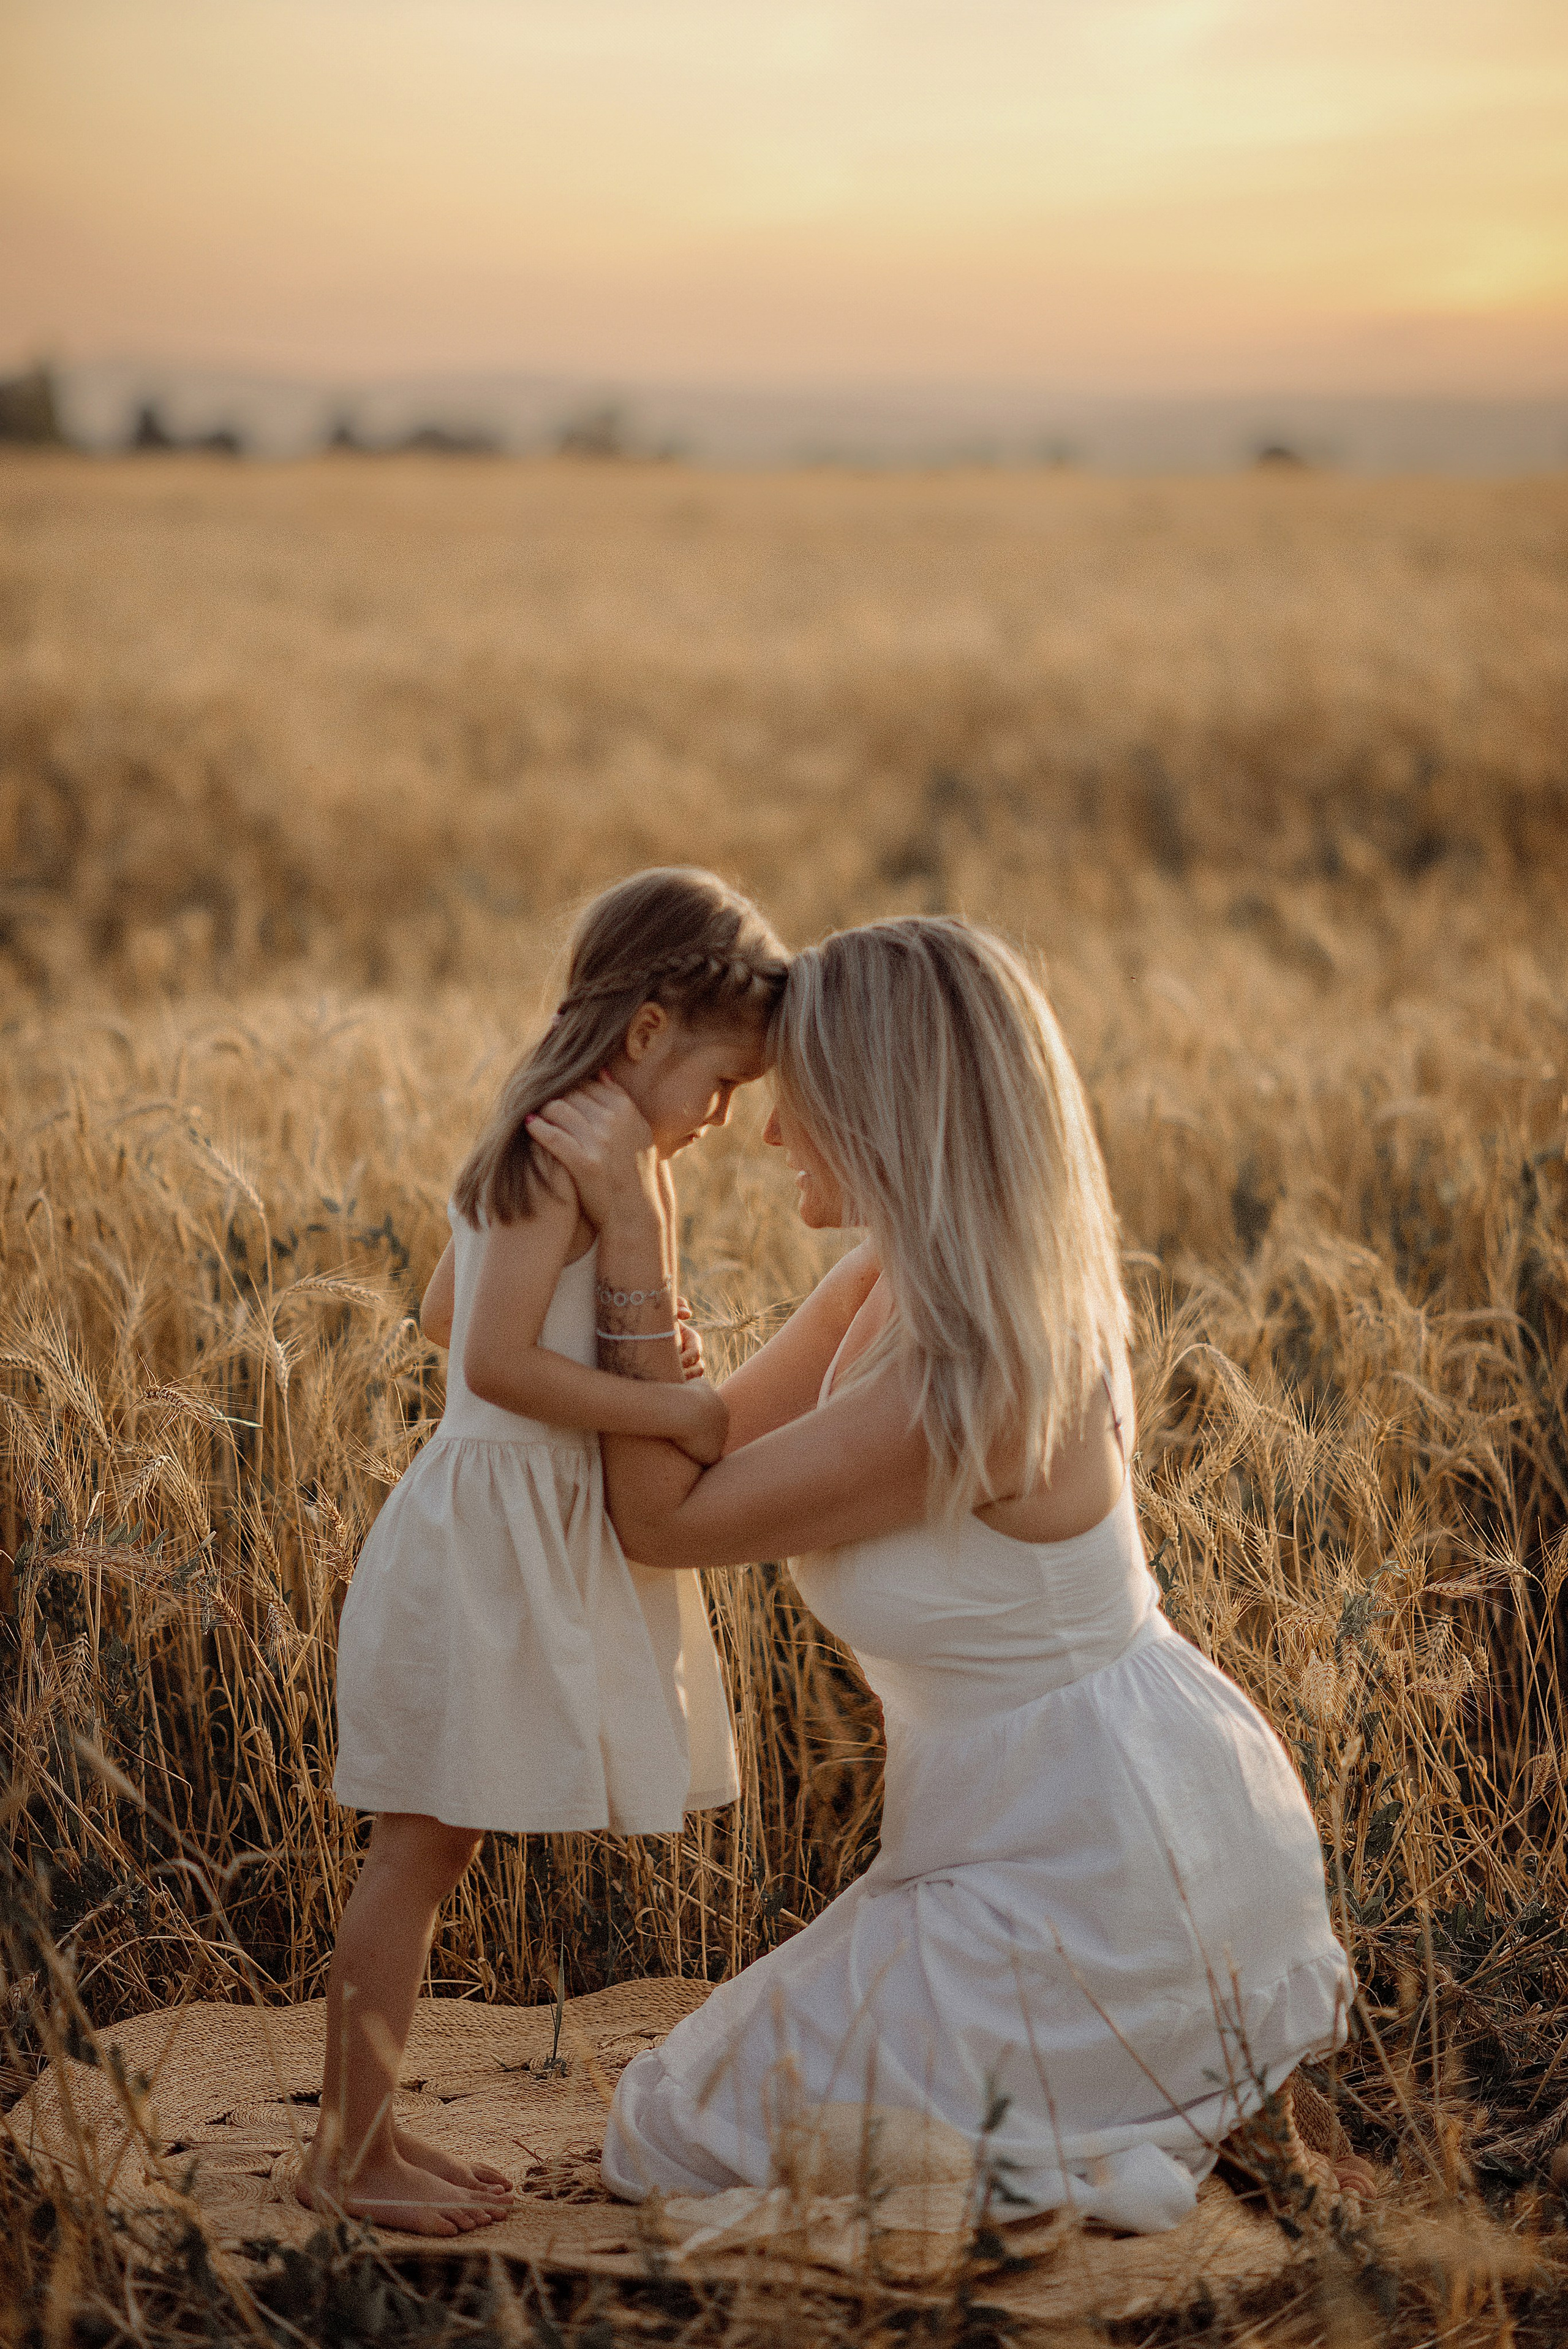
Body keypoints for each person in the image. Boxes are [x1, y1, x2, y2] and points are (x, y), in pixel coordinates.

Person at [527, 915, 1356, 2236]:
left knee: (677, 2129)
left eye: (794, 1093)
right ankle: (1132, 2124)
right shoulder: (887, 1284)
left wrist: (637, 1228)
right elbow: (697, 1436)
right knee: (691, 2115)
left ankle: (1100, 2141)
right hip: (1016, 1841)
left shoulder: (965, 1374)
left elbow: (664, 1518)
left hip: (1109, 1873)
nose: (766, 1130)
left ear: (880, 1104)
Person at [300, 867, 788, 2234]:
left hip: (502, 1525)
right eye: (719, 1084)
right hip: (487, 1541)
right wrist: (673, 1407)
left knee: (430, 1846)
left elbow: (440, 1296)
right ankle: (348, 2156)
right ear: (643, 1034)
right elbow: (490, 1356)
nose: (721, 1118)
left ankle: (374, 2131)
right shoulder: (556, 1160)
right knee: (415, 1849)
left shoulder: (549, 1138)